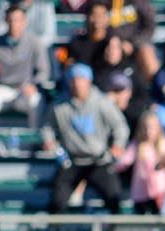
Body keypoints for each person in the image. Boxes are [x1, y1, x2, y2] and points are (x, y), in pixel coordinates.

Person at [42, 63, 130, 218]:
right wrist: (49, 140)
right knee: (57, 201)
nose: (77, 84)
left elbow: (120, 126)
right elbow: (48, 126)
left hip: (98, 160)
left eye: (81, 80)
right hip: (71, 161)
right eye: (73, 80)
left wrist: (118, 145)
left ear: (89, 81)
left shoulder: (102, 102)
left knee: (115, 198)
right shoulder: (59, 105)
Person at [0, 1, 48, 131]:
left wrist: (33, 86)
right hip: (1, 88)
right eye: (11, 20)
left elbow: (43, 72)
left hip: (24, 89)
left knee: (36, 102)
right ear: (6, 21)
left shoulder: (34, 42)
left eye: (17, 20)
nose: (14, 24)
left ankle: (33, 143)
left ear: (24, 22)